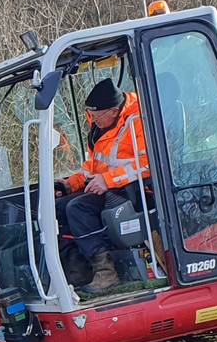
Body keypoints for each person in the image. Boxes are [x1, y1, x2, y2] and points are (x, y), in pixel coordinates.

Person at [54, 77, 151, 295]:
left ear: (115, 111)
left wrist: (108, 180)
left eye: (97, 116)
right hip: (109, 184)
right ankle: (78, 270)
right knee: (59, 207)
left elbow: (148, 164)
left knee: (78, 208)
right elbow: (94, 166)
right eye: (92, 116)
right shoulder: (101, 129)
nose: (94, 120)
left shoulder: (139, 122)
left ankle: (106, 273)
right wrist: (71, 184)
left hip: (133, 188)